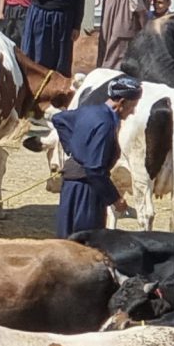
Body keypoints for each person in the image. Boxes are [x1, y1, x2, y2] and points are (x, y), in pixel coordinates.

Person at [52, 77, 139, 236]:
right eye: (132, 106)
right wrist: (115, 199)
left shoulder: (89, 111)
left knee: (65, 239)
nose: (132, 111)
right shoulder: (106, 124)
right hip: (87, 188)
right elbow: (94, 169)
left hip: (71, 183)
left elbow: (59, 119)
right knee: (85, 243)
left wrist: (74, 148)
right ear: (121, 102)